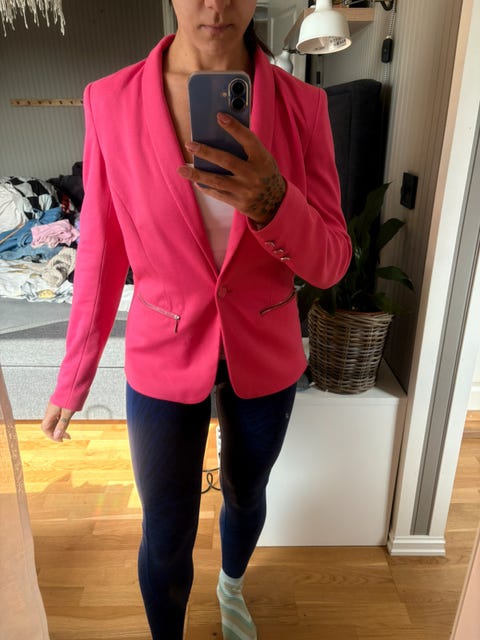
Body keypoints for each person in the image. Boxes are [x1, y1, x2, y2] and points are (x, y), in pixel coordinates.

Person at [41, 1, 352, 638]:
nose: (215, 4)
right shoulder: (110, 101)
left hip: (264, 344)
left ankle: (231, 585)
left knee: (245, 491)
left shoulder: (304, 106)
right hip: (163, 344)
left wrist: (274, 203)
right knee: (165, 526)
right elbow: (100, 249)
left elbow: (331, 263)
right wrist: (74, 375)